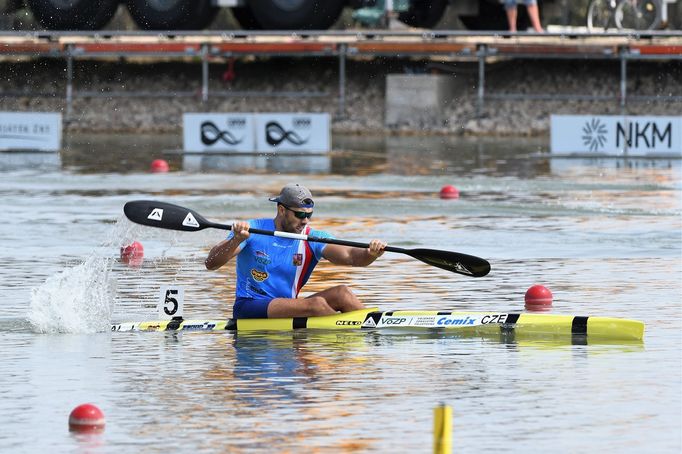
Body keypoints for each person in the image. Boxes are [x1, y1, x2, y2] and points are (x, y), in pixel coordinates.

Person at [205, 183, 387, 319]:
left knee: (342, 293)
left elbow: (351, 257)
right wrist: (236, 239)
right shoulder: (251, 230)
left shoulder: (312, 238)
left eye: (309, 215)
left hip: (287, 305)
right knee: (316, 305)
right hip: (250, 305)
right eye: (300, 214)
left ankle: (373, 331)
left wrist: (369, 254)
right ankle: (354, 333)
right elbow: (211, 263)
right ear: (282, 210)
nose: (305, 220)